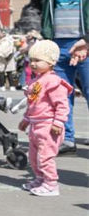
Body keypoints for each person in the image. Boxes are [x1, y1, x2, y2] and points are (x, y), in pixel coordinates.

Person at [39, 0, 88, 155]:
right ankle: (66, 139)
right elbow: (49, 8)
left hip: (85, 42)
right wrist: (47, 37)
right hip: (59, 43)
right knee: (60, 94)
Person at [19, 40, 72, 196]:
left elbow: (62, 105)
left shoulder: (54, 82)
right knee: (34, 157)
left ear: (50, 62)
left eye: (38, 60)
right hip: (36, 125)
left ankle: (51, 184)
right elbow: (33, 104)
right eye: (31, 60)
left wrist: (59, 122)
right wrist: (26, 119)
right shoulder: (36, 81)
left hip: (48, 126)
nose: (33, 64)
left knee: (46, 157)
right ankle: (40, 178)